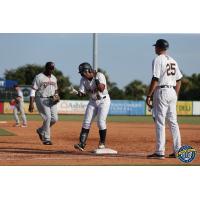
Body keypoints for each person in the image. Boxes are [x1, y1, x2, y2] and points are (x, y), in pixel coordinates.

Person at [146, 39, 182, 159]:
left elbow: (155, 78)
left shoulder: (157, 59)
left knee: (160, 122)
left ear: (159, 47)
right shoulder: (173, 60)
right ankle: (178, 151)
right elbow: (179, 80)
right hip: (172, 91)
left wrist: (149, 95)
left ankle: (160, 151)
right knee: (173, 123)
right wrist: (175, 94)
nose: (154, 48)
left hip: (162, 91)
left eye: (156, 46)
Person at [71, 62, 111, 151]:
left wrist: (96, 79)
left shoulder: (100, 75)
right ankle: (82, 143)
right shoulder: (83, 80)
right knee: (86, 122)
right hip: (92, 101)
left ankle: (102, 143)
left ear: (88, 71)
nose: (81, 74)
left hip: (104, 101)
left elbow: (101, 89)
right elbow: (82, 93)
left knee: (100, 122)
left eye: (82, 72)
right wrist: (76, 92)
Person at [28, 62, 59, 145]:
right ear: (46, 67)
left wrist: (57, 96)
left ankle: (41, 130)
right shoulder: (39, 77)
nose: (51, 70)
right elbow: (33, 90)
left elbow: (56, 89)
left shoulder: (54, 78)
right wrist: (31, 103)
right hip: (41, 98)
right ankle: (46, 138)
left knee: (55, 119)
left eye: (52, 68)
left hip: (52, 99)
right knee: (47, 117)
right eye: (50, 68)